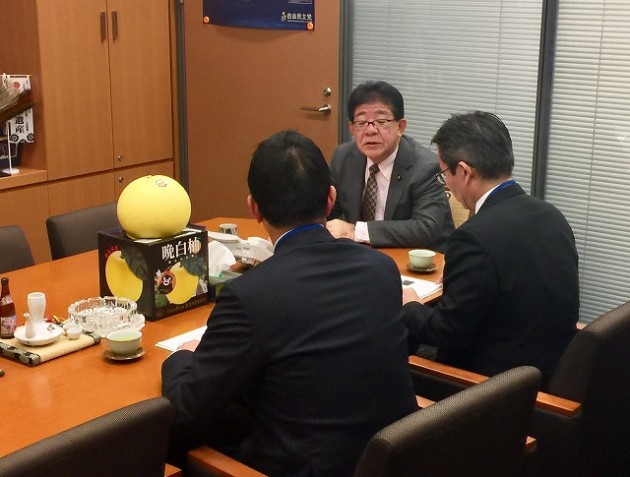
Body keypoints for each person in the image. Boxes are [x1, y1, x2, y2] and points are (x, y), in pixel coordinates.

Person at [162, 130, 417, 476]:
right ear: (330, 199)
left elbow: (187, 413)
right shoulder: (381, 269)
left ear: (254, 208)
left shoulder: (249, 296)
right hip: (388, 461)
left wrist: (181, 359)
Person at [402, 111, 579, 387]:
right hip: (549, 369)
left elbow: (446, 333)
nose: (446, 184)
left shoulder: (473, 237)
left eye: (444, 174)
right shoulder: (551, 215)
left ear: (464, 172)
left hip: (492, 389)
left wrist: (410, 304)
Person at [326, 80, 454, 250]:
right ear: (352, 129)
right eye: (361, 122)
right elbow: (327, 212)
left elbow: (425, 228)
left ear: (400, 127)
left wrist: (357, 230)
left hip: (416, 259)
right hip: (360, 256)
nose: (370, 130)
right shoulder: (343, 158)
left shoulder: (425, 167)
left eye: (381, 121)